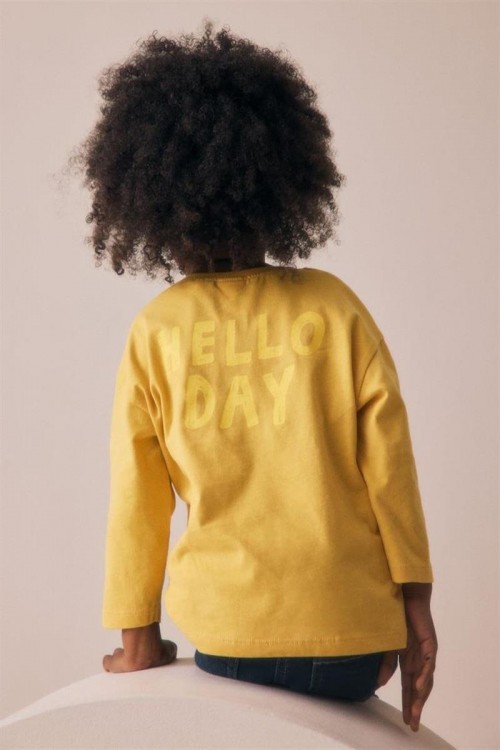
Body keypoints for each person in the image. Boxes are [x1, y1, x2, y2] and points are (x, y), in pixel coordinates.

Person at [69, 19, 437, 733]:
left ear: (150, 205)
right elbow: (391, 471)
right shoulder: (335, 308)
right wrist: (416, 609)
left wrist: (138, 640)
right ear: (283, 187)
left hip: (228, 643)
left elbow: (138, 503)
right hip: (357, 649)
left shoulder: (157, 331)